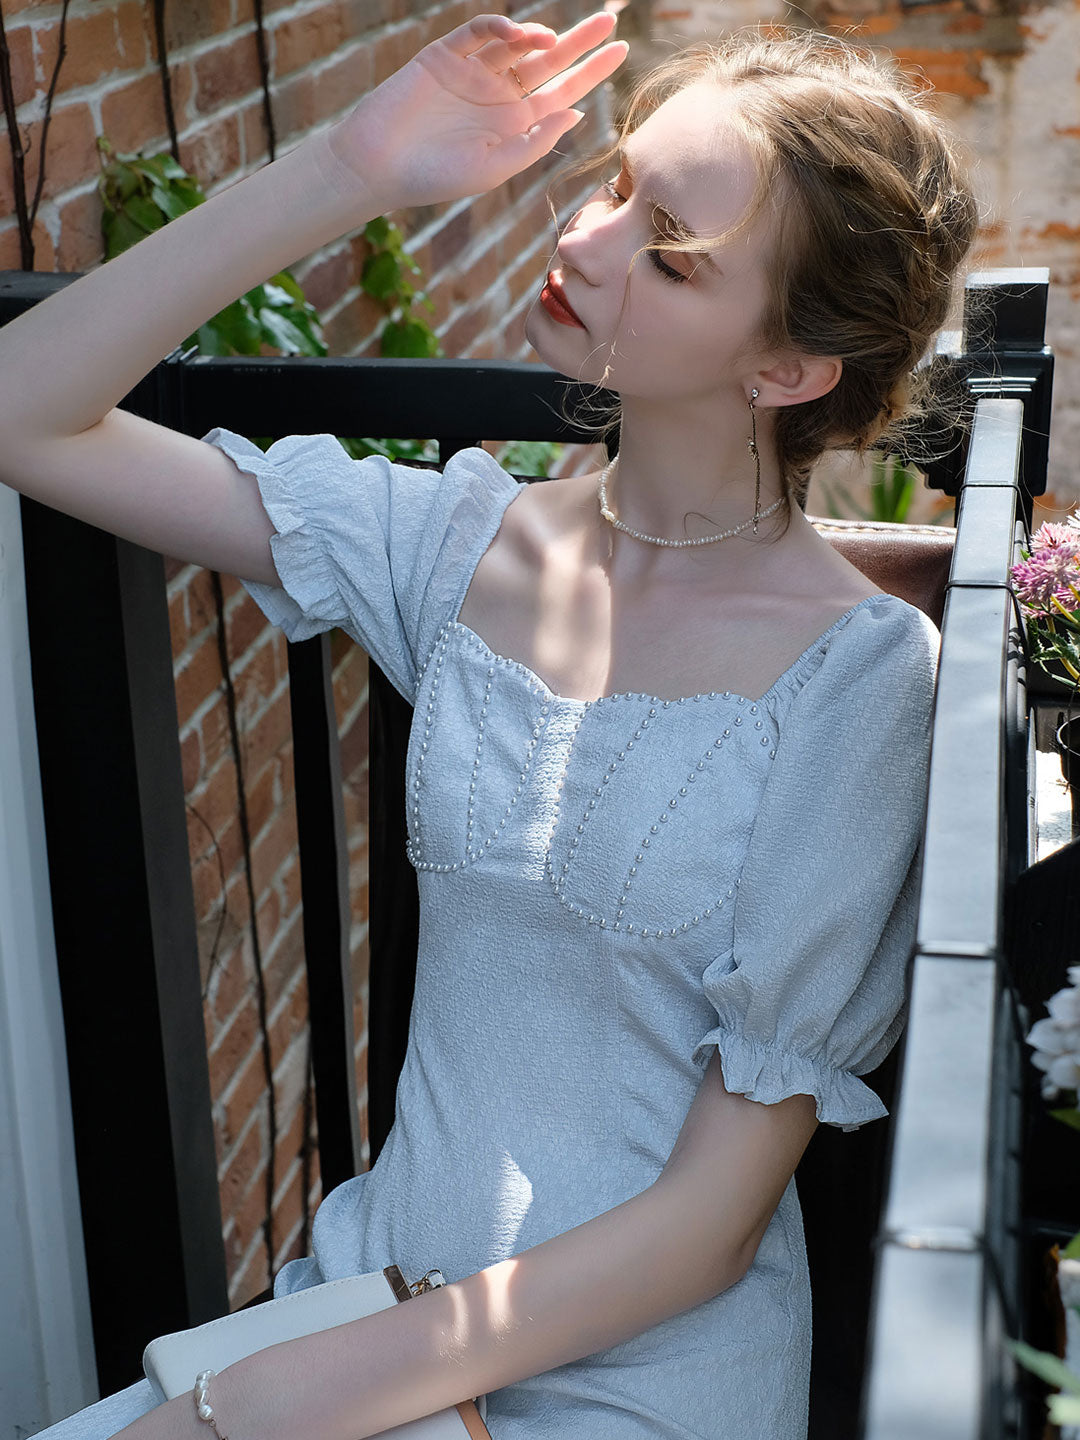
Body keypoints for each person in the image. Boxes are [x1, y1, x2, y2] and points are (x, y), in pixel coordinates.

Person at [1, 10, 978, 1439]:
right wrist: (350, 168)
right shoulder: (455, 545)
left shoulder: (859, 675)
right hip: (374, 1303)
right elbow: (24, 412)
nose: (587, 240)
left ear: (785, 369)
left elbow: (708, 1227)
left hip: (629, 1385)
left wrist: (248, 1407)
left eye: (672, 252)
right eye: (615, 184)